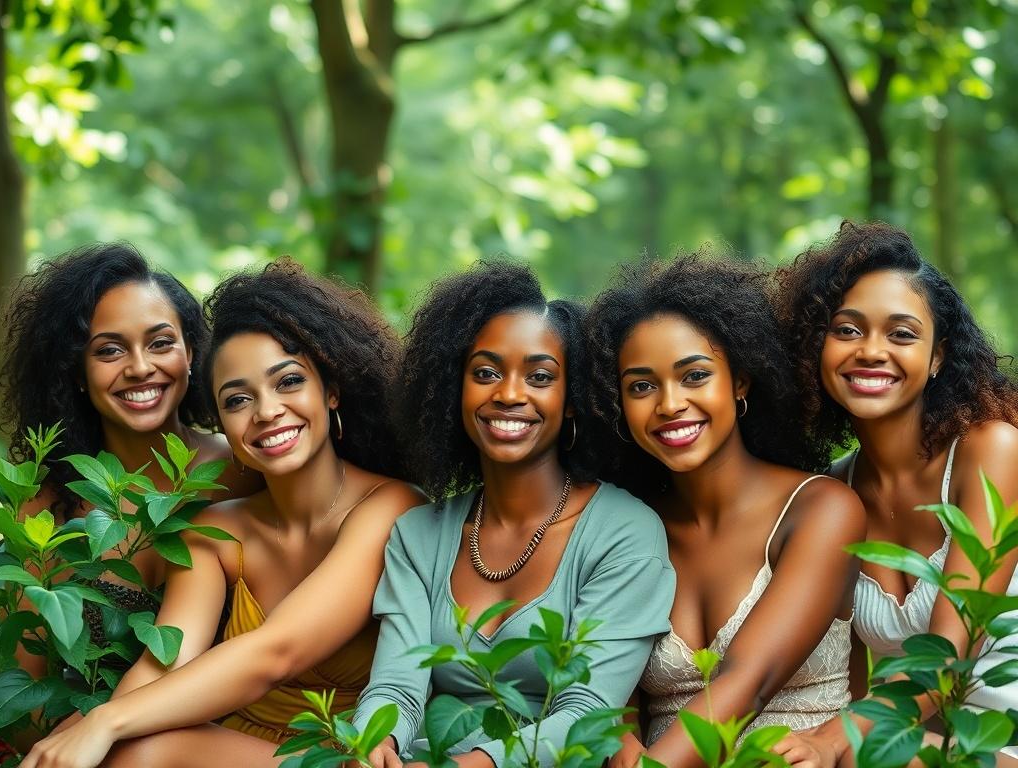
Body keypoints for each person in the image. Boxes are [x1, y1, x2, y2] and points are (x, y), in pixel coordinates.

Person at [20, 260, 425, 768]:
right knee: (125, 750)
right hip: (232, 741)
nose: (267, 411)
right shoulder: (214, 531)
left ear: (333, 389)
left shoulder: (392, 507)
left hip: (346, 752)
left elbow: (278, 651)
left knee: (138, 746)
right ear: (220, 421)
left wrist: (105, 721)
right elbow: (163, 663)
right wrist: (86, 730)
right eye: (237, 399)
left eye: (289, 382)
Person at [351, 260, 676, 768]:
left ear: (573, 401)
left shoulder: (624, 533)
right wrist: (375, 740)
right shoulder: (418, 536)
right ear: (454, 388)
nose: (507, 393)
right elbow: (397, 685)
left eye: (540, 376)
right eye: (485, 373)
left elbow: (588, 711)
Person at [585, 253, 865, 768]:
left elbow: (747, 681)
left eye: (694, 376)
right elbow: (608, 687)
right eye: (642, 386)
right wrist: (620, 734)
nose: (669, 404)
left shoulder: (822, 509)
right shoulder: (622, 527)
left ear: (740, 381)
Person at [775, 221, 1018, 766]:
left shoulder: (992, 451)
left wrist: (832, 740)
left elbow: (947, 657)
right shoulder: (832, 495)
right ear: (816, 347)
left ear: (936, 357)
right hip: (930, 747)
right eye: (847, 330)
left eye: (902, 334)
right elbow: (852, 684)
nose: (871, 351)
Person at [0, 243, 257, 677]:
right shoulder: (48, 506)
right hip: (82, 738)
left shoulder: (247, 470)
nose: (139, 367)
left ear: (191, 353)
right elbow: (25, 684)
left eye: (160, 343)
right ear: (77, 373)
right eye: (110, 350)